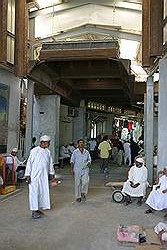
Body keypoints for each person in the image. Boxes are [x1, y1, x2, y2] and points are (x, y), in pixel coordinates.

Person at [25, 135, 55, 219]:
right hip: (34, 176)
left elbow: (50, 164)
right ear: (42, 142)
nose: (49, 144)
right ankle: (34, 211)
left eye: (49, 142)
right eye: (47, 142)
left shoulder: (48, 152)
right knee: (34, 193)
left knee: (42, 192)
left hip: (44, 177)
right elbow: (29, 163)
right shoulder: (34, 151)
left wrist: (52, 174)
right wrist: (27, 175)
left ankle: (38, 209)